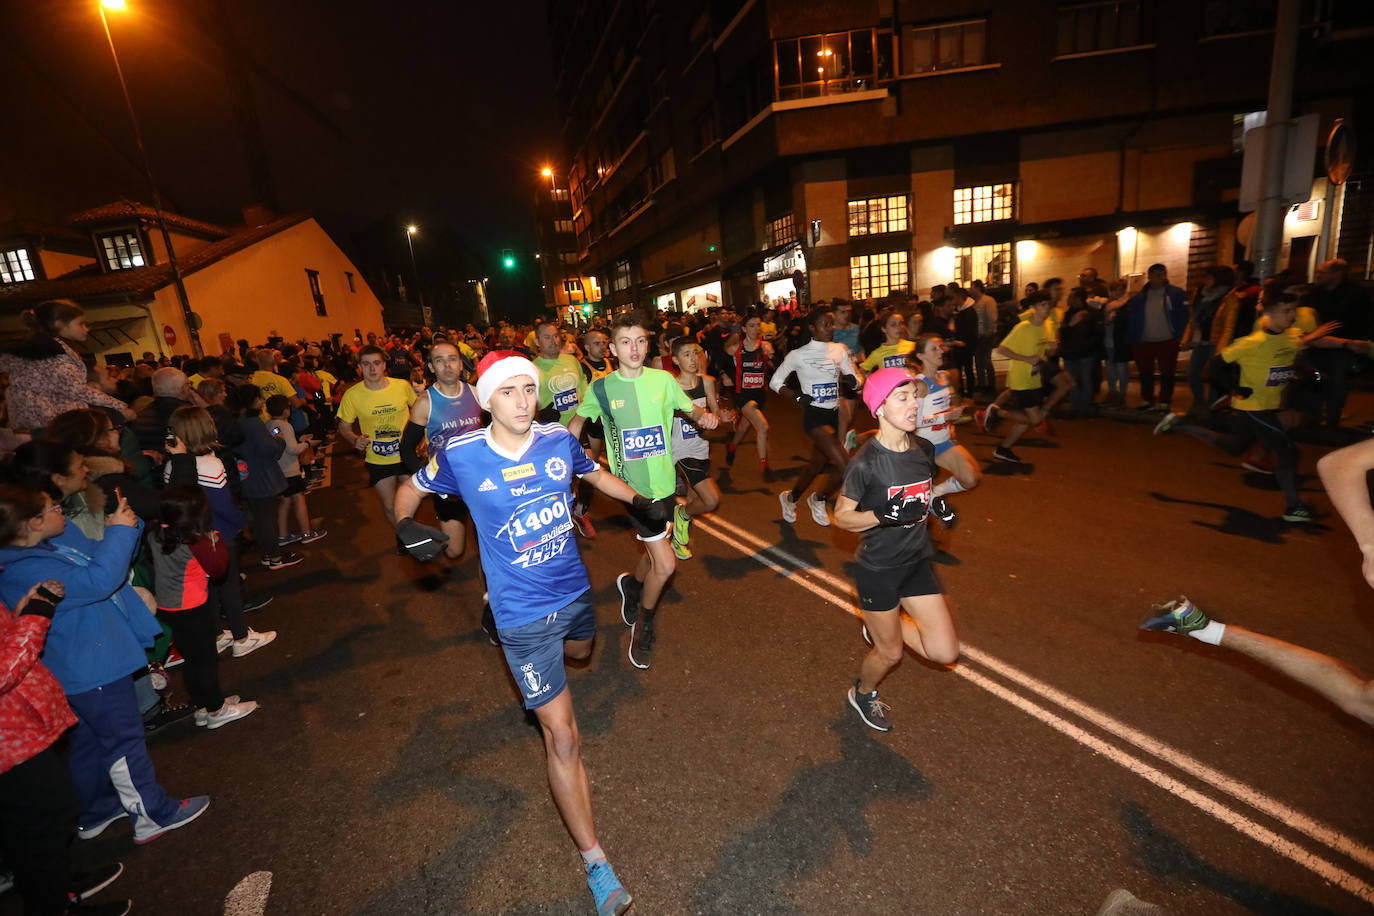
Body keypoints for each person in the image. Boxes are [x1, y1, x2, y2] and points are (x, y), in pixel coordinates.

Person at [396, 354, 650, 916]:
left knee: (581, 655)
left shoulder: (558, 440)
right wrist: (403, 527)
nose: (521, 401)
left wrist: (638, 500)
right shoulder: (460, 456)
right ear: (485, 400)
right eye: (507, 392)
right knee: (561, 736)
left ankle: (549, 667)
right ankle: (596, 863)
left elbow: (594, 473)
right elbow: (410, 492)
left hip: (576, 597)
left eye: (528, 390)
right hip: (521, 614)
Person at [0, 486, 210, 845]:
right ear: (32, 523)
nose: (61, 510)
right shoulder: (25, 569)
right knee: (124, 743)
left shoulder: (41, 549)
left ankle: (96, 810)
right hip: (91, 666)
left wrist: (124, 526)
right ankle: (152, 813)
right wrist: (119, 532)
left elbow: (100, 560)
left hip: (84, 664)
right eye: (53, 507)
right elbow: (99, 580)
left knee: (90, 743)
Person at [568, 312, 719, 670]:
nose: (633, 348)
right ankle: (644, 623)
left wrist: (704, 417)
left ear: (647, 344)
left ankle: (633, 586)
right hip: (630, 490)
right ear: (613, 347)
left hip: (666, 484)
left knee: (656, 549)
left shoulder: (663, 380)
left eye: (640, 341)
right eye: (625, 341)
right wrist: (563, 460)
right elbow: (575, 422)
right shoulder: (601, 389)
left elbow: (689, 409)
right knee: (665, 565)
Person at [833, 369, 961, 731]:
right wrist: (883, 513)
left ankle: (882, 623)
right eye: (902, 397)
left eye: (915, 396)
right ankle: (863, 693)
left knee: (945, 653)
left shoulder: (923, 448)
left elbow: (923, 491)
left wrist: (936, 506)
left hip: (917, 562)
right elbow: (841, 517)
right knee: (890, 653)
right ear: (879, 407)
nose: (914, 404)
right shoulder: (866, 463)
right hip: (879, 571)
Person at [0, 578, 133, 916]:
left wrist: (20, 615)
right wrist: (37, 613)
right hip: (9, 743)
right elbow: (4, 670)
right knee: (39, 828)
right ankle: (54, 904)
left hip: (19, 728)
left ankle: (62, 887)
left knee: (49, 818)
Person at [1154, 288, 1338, 521]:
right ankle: (1293, 507)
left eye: (1294, 310)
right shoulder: (1251, 343)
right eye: (1286, 311)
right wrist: (1236, 389)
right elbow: (1214, 365)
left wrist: (1312, 375)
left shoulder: (1291, 337)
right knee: (1287, 452)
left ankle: (1181, 424)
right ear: (1268, 314)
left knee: (1233, 447)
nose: (1292, 316)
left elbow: (1295, 361)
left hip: (1268, 406)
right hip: (1254, 407)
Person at [164, 407, 275, 652]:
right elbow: (223, 506)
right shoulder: (210, 463)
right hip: (221, 535)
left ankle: (217, 634)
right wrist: (240, 522)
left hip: (192, 537)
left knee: (209, 587)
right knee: (230, 586)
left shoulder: (173, 465)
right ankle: (241, 637)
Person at [149, 486, 260, 729]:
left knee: (193, 660)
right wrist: (216, 542)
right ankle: (216, 710)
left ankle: (204, 705)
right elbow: (219, 570)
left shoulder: (156, 533)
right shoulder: (195, 541)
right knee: (205, 661)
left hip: (168, 607)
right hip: (191, 607)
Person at [769, 306, 860, 526]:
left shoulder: (840, 350)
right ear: (812, 327)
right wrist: (797, 397)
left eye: (831, 324)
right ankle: (819, 499)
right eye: (825, 324)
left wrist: (852, 381)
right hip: (814, 418)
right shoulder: (797, 355)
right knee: (846, 467)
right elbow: (775, 382)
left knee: (815, 466)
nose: (830, 328)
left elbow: (857, 379)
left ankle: (791, 498)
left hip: (834, 415)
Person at [401, 340, 484, 561]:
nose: (447, 365)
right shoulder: (425, 403)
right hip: (448, 485)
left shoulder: (477, 394)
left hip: (481, 479)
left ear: (460, 364)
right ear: (431, 367)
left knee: (488, 543)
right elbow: (407, 447)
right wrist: (428, 480)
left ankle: (492, 590)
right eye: (440, 360)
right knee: (454, 551)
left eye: (452, 359)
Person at [0, 300, 133, 433]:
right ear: (60, 324)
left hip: (34, 419)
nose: (87, 329)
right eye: (81, 324)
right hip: (45, 422)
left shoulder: (43, 349)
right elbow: (79, 391)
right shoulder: (52, 354)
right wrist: (120, 407)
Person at [336, 345, 417, 526]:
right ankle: (403, 537)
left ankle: (413, 535)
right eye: (366, 364)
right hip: (378, 459)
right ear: (359, 366)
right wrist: (354, 439)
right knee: (390, 505)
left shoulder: (402, 386)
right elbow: (344, 427)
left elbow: (420, 412)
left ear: (384, 364)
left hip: (406, 453)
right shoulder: (352, 395)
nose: (372, 369)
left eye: (376, 363)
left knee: (411, 502)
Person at [978, 292, 1055, 464]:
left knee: (1026, 420)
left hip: (1035, 378)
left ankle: (1003, 449)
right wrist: (1027, 359)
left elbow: (1047, 351)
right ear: (1032, 308)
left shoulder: (1046, 326)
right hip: (1021, 379)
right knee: (1035, 419)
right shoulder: (1023, 328)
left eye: (1048, 304)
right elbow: (1002, 349)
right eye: (1042, 305)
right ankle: (997, 412)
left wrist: (1052, 349)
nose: (1046, 308)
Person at [232, 386, 301, 570]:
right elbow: (268, 449)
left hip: (247, 475)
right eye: (259, 398)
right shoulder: (252, 422)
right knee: (268, 519)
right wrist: (279, 441)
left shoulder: (237, 420)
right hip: (262, 476)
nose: (262, 402)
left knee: (259, 517)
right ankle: (275, 557)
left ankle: (268, 555)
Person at [668, 337, 722, 561]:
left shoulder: (707, 381)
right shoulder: (671, 387)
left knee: (693, 500)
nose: (693, 359)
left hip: (701, 447)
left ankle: (678, 539)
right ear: (675, 360)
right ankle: (680, 514)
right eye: (686, 354)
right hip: (680, 450)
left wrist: (721, 418)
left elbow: (715, 415)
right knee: (711, 500)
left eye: (696, 352)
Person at [911, 335, 980, 508]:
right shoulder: (920, 384)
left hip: (942, 443)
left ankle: (935, 493)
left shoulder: (944, 376)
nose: (941, 351)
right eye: (934, 349)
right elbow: (915, 421)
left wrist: (956, 413)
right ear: (921, 356)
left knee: (970, 478)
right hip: (921, 447)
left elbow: (947, 405)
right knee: (911, 502)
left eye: (941, 347)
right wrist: (945, 417)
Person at [1126, 263, 1188, 411]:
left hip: (1166, 340)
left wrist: (1179, 337)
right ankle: (1147, 399)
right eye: (1158, 275)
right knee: (1145, 373)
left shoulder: (1175, 293)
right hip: (1144, 341)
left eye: (1163, 274)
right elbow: (1132, 318)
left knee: (1167, 373)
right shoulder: (1140, 297)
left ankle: (1164, 401)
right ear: (1150, 276)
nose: (1162, 278)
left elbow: (1183, 316)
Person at [265, 395, 323, 546]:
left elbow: (281, 442)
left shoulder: (268, 424)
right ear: (286, 411)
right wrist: (308, 443)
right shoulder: (285, 425)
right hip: (290, 471)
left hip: (278, 471)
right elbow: (292, 449)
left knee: (285, 502)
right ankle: (306, 533)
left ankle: (283, 536)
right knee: (299, 500)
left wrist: (300, 439)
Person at [724, 314, 773, 476]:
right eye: (751, 325)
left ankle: (732, 447)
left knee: (744, 426)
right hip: (742, 395)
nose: (756, 329)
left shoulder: (764, 346)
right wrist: (725, 375)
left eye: (758, 325)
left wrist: (770, 355)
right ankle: (764, 466)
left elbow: (773, 360)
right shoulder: (736, 348)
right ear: (744, 329)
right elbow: (723, 351)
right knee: (763, 426)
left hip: (760, 394)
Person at [532, 323, 587, 426]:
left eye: (556, 336)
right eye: (547, 337)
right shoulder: (532, 369)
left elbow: (583, 385)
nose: (554, 341)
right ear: (537, 342)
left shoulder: (572, 360)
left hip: (579, 426)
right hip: (552, 432)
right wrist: (539, 416)